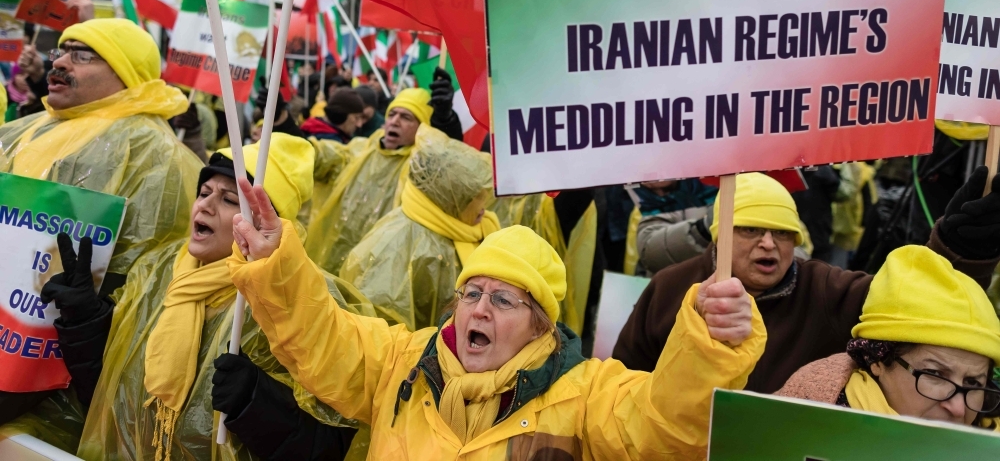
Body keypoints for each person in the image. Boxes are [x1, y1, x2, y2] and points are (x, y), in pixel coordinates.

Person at [227, 179, 767, 461]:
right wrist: (279, 265)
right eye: (471, 292)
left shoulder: (586, 397)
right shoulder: (403, 364)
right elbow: (323, 338)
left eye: (505, 300)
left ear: (542, 326)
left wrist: (708, 347)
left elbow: (663, 430)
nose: (479, 309)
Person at [49, 134, 361, 460]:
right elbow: (108, 390)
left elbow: (334, 442)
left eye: (228, 200)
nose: (206, 206)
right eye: (204, 192)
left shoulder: (299, 298)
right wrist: (84, 319)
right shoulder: (159, 270)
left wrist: (261, 403)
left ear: (267, 224)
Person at [613, 168, 1000, 394]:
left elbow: (920, 303)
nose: (769, 244)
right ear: (719, 234)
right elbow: (623, 384)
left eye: (783, 233)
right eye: (750, 229)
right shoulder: (669, 287)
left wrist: (957, 252)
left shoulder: (827, 290)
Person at [0, 19, 203, 448]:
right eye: (61, 51)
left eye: (82, 54)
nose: (60, 62)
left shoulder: (157, 155)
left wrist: (86, 318)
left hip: (59, 379)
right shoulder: (27, 129)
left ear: (125, 71)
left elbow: (145, 288)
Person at [777, 245, 1000, 431]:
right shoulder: (799, 422)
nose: (959, 408)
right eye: (934, 374)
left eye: (973, 383)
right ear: (877, 360)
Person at [340, 128, 499, 330]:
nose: (484, 208)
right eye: (473, 199)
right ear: (449, 200)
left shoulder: (464, 227)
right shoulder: (401, 245)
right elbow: (377, 327)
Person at [304, 87, 435, 274]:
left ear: (423, 128)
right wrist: (289, 134)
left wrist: (447, 125)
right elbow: (323, 156)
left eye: (406, 117)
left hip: (377, 270)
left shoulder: (422, 169)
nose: (394, 122)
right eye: (392, 114)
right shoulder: (361, 149)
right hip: (331, 259)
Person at [301, 87, 366, 143]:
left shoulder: (309, 130)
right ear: (342, 115)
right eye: (356, 118)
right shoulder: (332, 145)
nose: (359, 124)